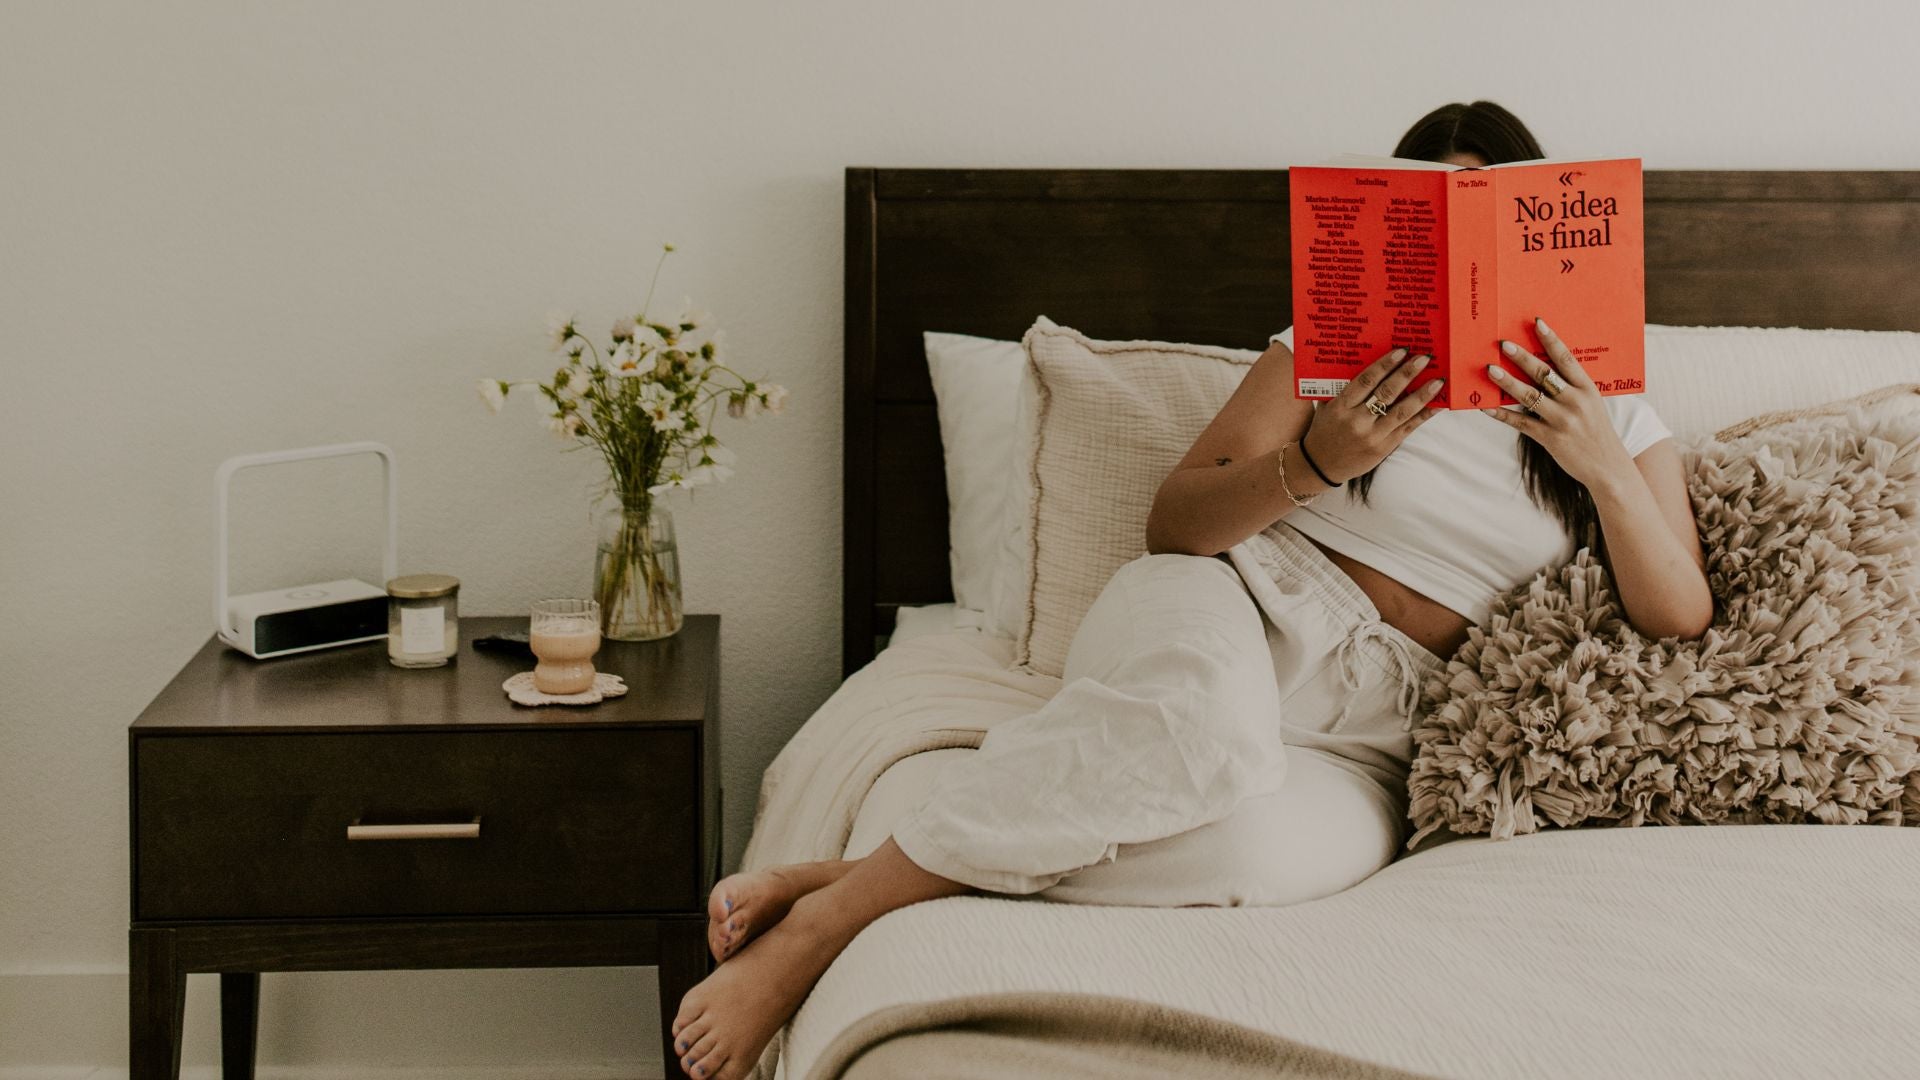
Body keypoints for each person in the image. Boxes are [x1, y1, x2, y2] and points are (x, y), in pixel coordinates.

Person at [664, 100, 1711, 1080]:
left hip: (1381, 732)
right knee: (1194, 733)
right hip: (1237, 607)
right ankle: (824, 931)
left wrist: (1600, 464)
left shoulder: (1609, 407)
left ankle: (856, 874)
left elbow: (1680, 611)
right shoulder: (1324, 353)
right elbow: (1176, 522)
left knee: (1252, 854)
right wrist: (1319, 461)